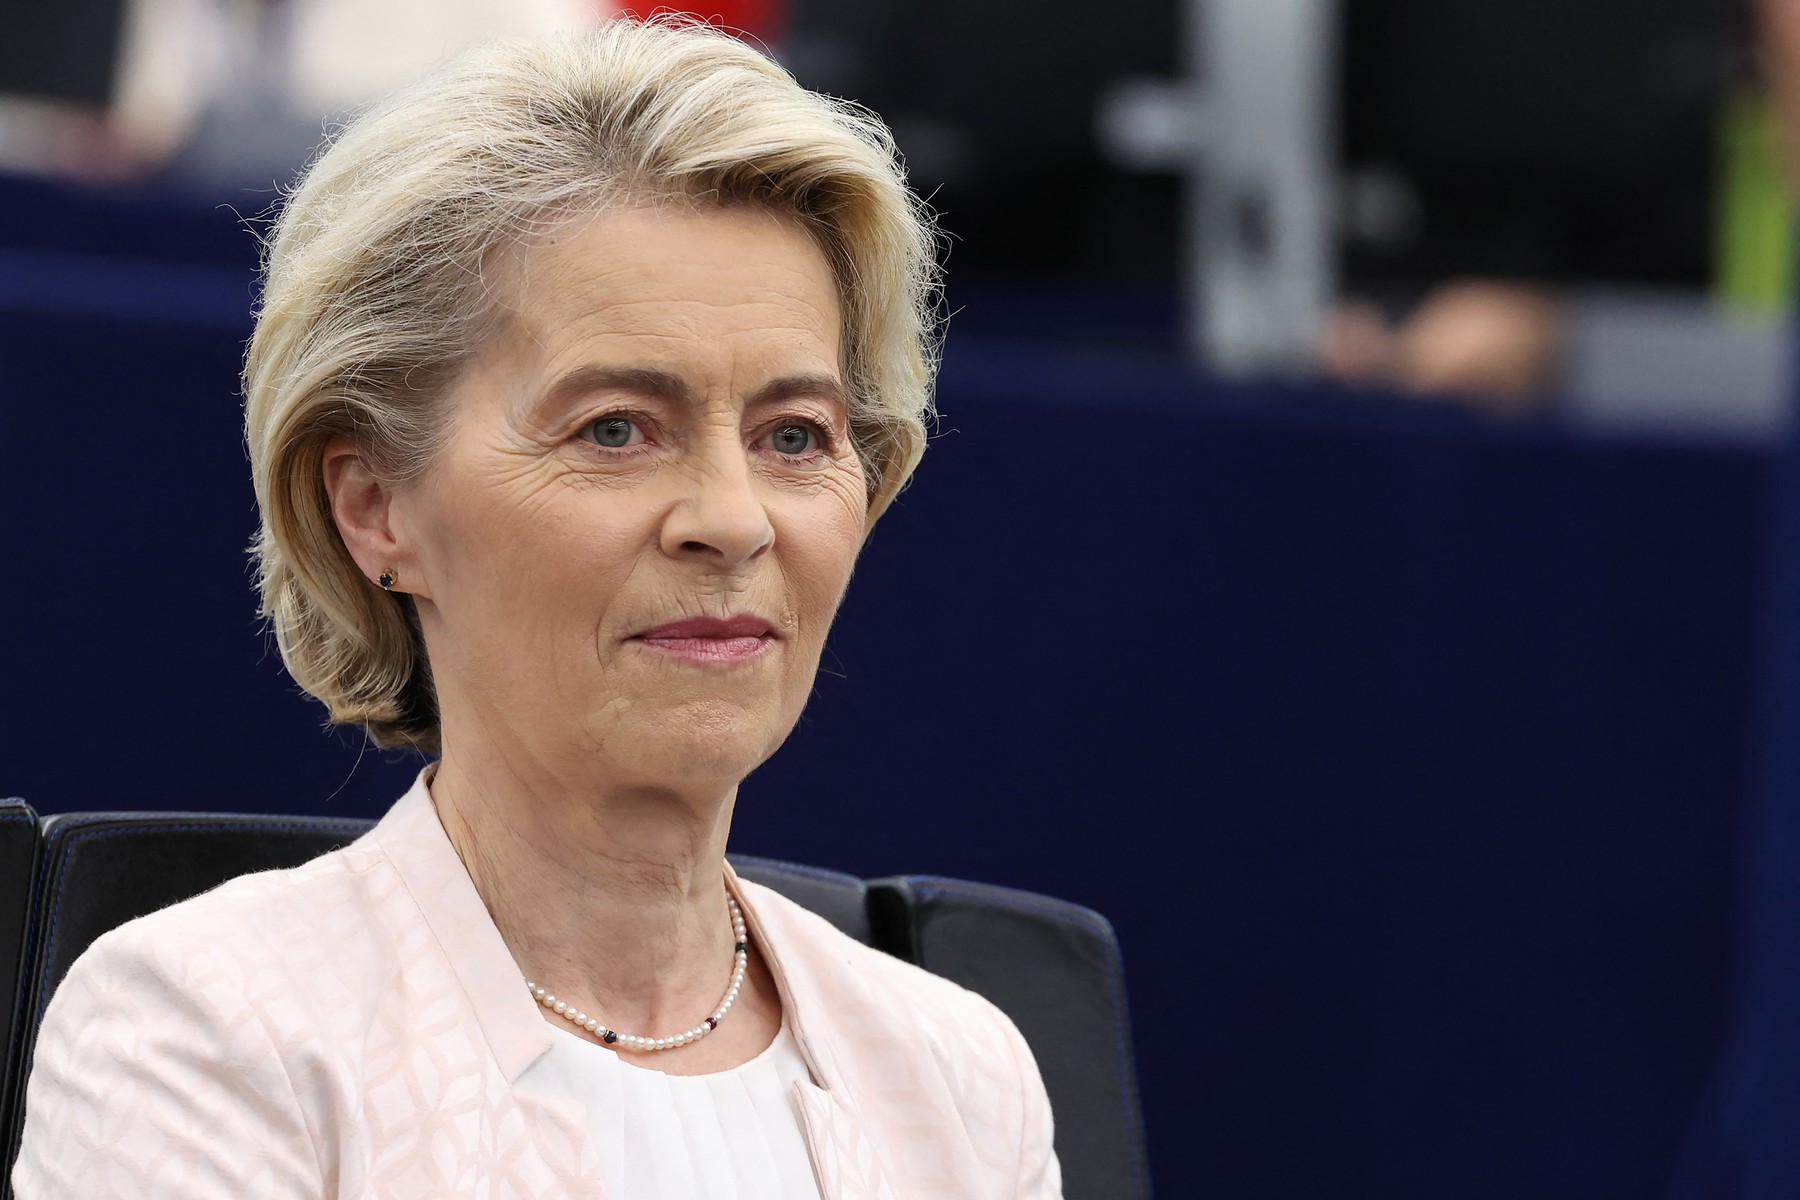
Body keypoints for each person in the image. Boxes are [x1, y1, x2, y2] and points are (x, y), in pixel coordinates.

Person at [10, 19, 1061, 1198]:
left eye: (793, 436)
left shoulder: (960, 1081)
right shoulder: (211, 1035)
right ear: (374, 507)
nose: (733, 516)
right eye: (614, 428)